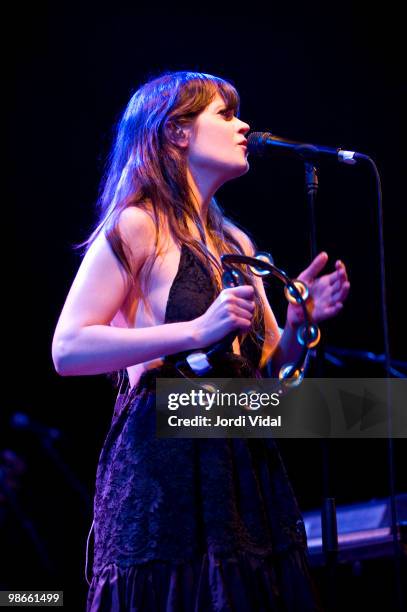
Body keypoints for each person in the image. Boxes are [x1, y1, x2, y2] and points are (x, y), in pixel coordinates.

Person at [52, 71, 350, 611]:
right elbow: (67, 349)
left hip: (241, 467)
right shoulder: (138, 225)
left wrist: (303, 324)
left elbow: (271, 385)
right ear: (177, 133)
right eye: (225, 114)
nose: (244, 126)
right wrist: (196, 330)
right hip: (167, 464)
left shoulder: (236, 244)